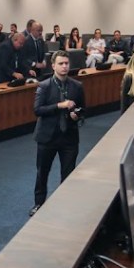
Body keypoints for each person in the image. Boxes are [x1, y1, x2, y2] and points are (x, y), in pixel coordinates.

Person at [30, 51, 85, 217]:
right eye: (61, 63)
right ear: (53, 66)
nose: (64, 66)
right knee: (42, 172)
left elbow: (83, 109)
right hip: (47, 137)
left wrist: (77, 115)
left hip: (69, 136)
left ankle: (65, 204)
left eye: (66, 63)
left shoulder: (77, 86)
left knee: (68, 173)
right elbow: (37, 110)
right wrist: (59, 106)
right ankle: (39, 203)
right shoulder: (44, 86)